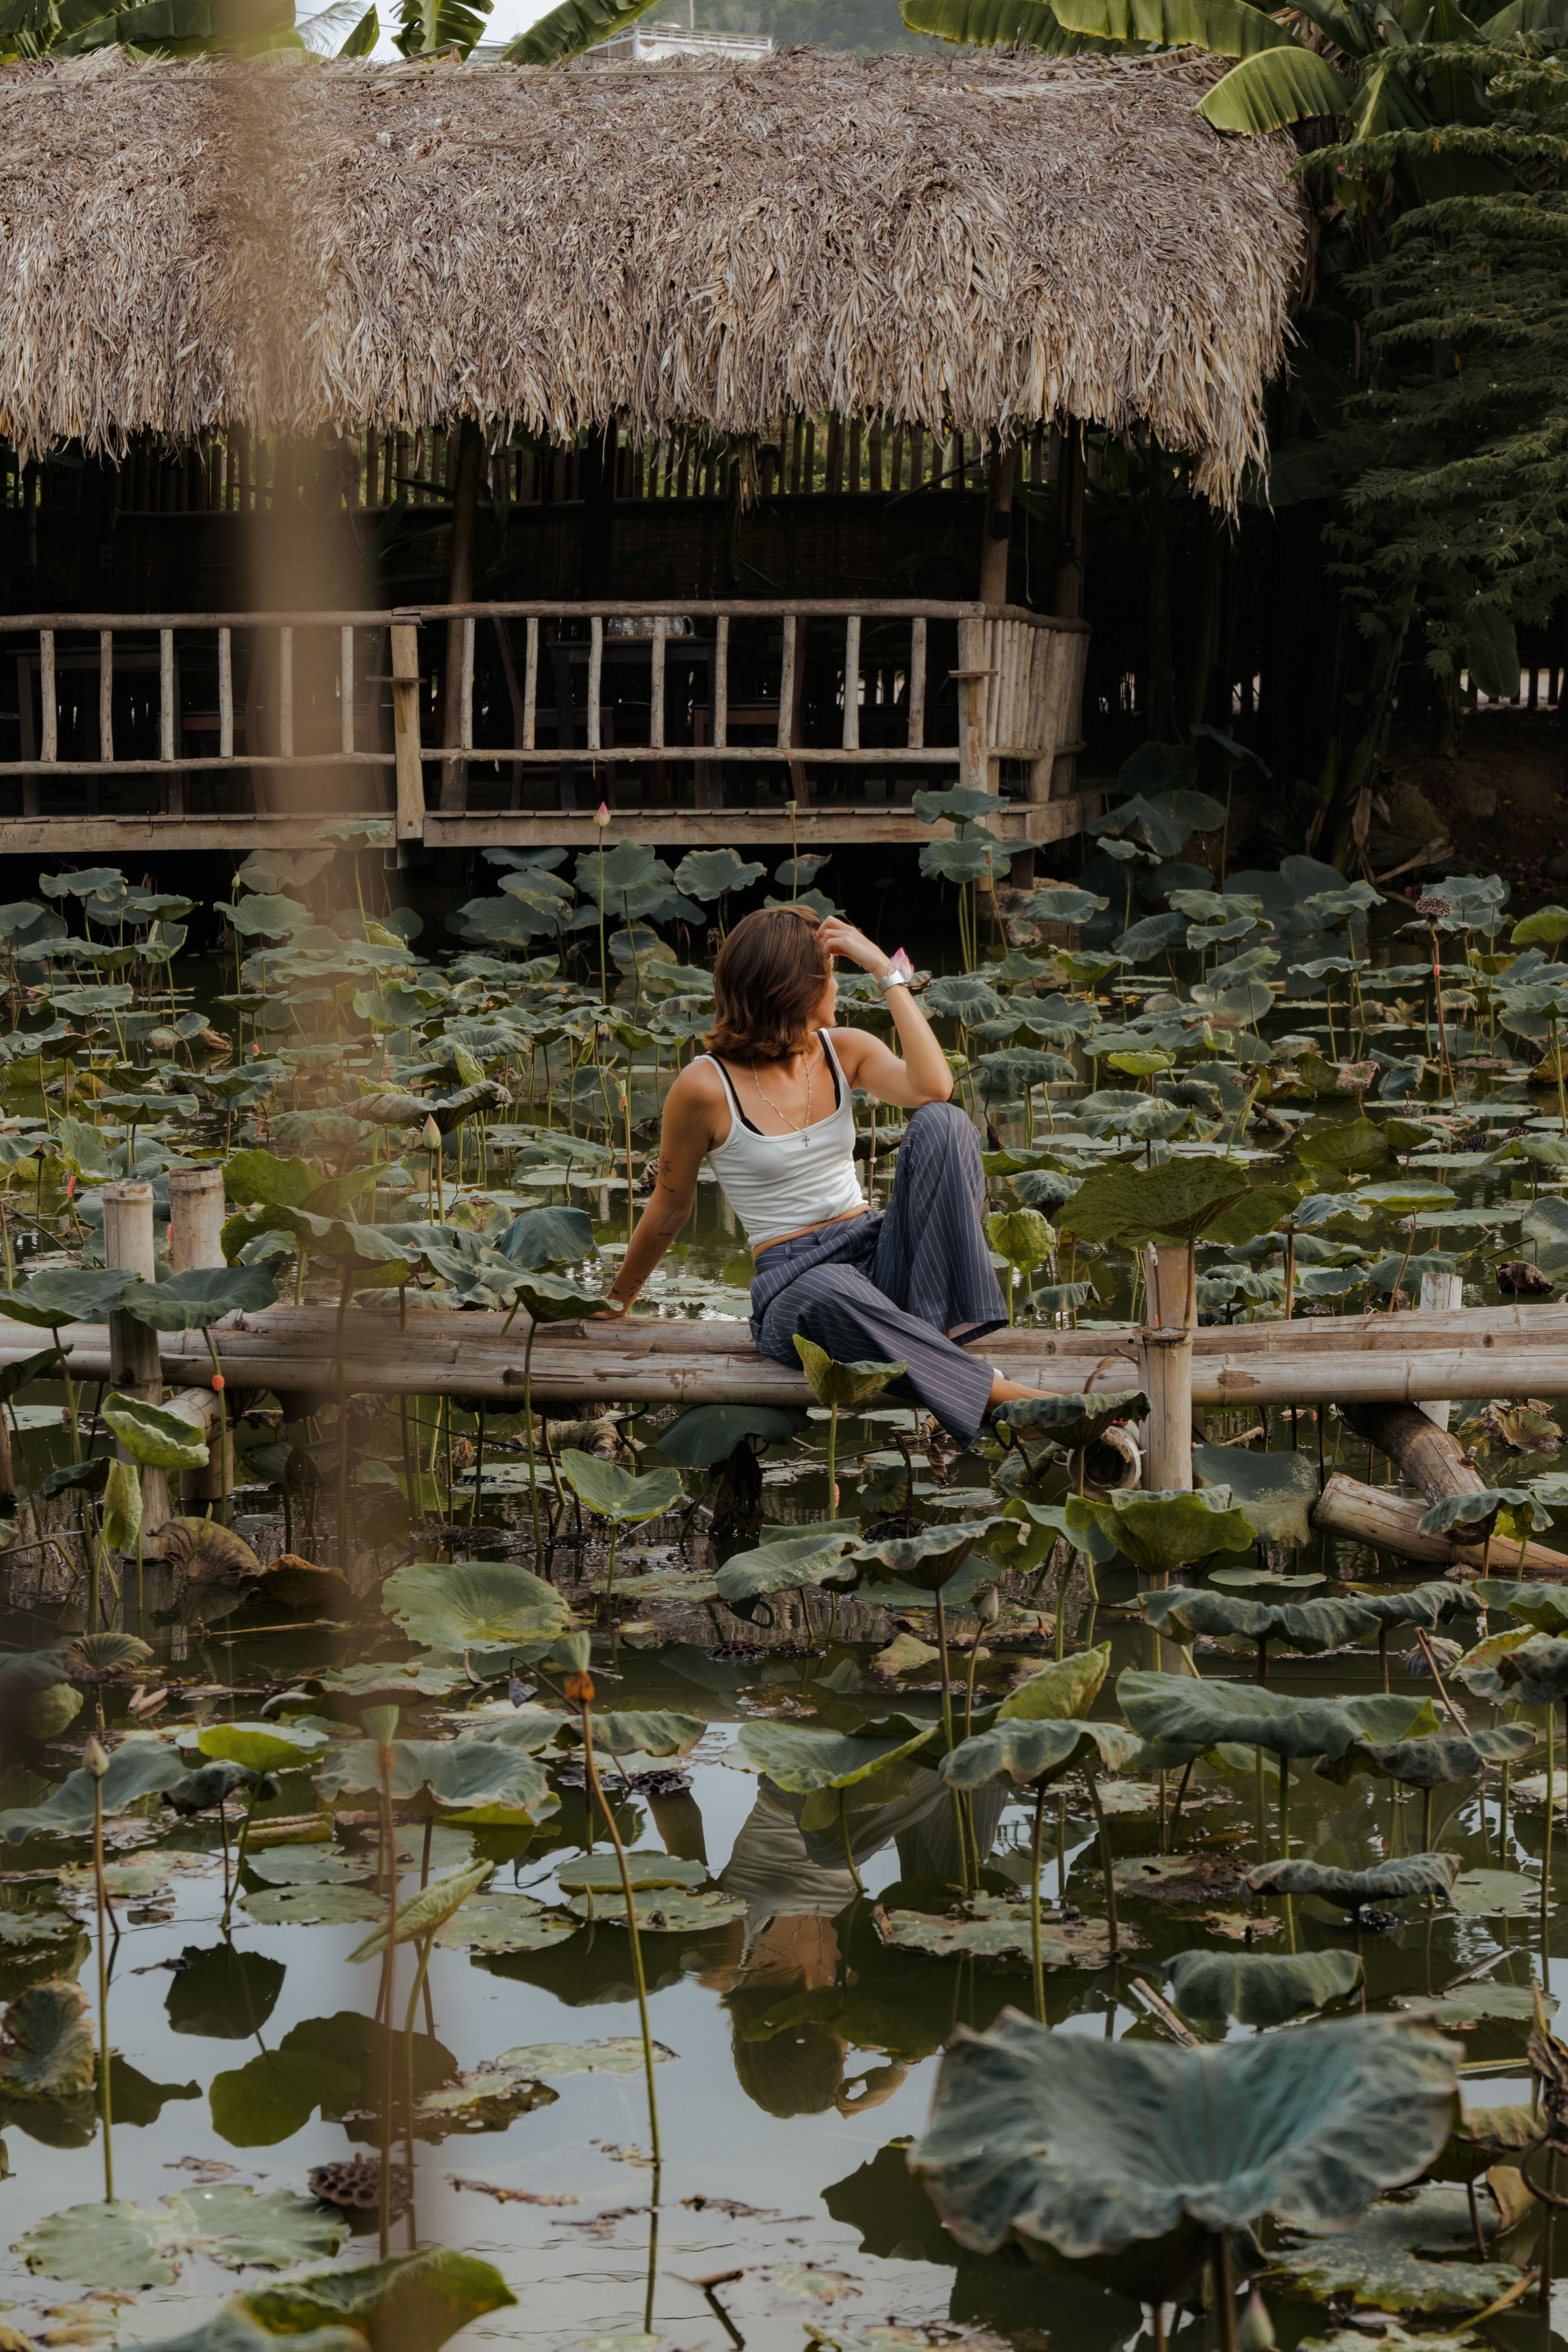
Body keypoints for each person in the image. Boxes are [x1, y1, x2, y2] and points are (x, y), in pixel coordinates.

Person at [605, 902, 1055, 1447]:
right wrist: (616, 1303)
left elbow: (934, 1087)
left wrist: (885, 971)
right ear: (794, 989)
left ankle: (927, 1338)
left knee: (945, 1122)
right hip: (796, 1286)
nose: (838, 988)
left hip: (875, 1252)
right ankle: (1009, 1400)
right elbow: (669, 1207)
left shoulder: (845, 1051)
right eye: (830, 976)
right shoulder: (703, 1087)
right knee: (829, 1288)